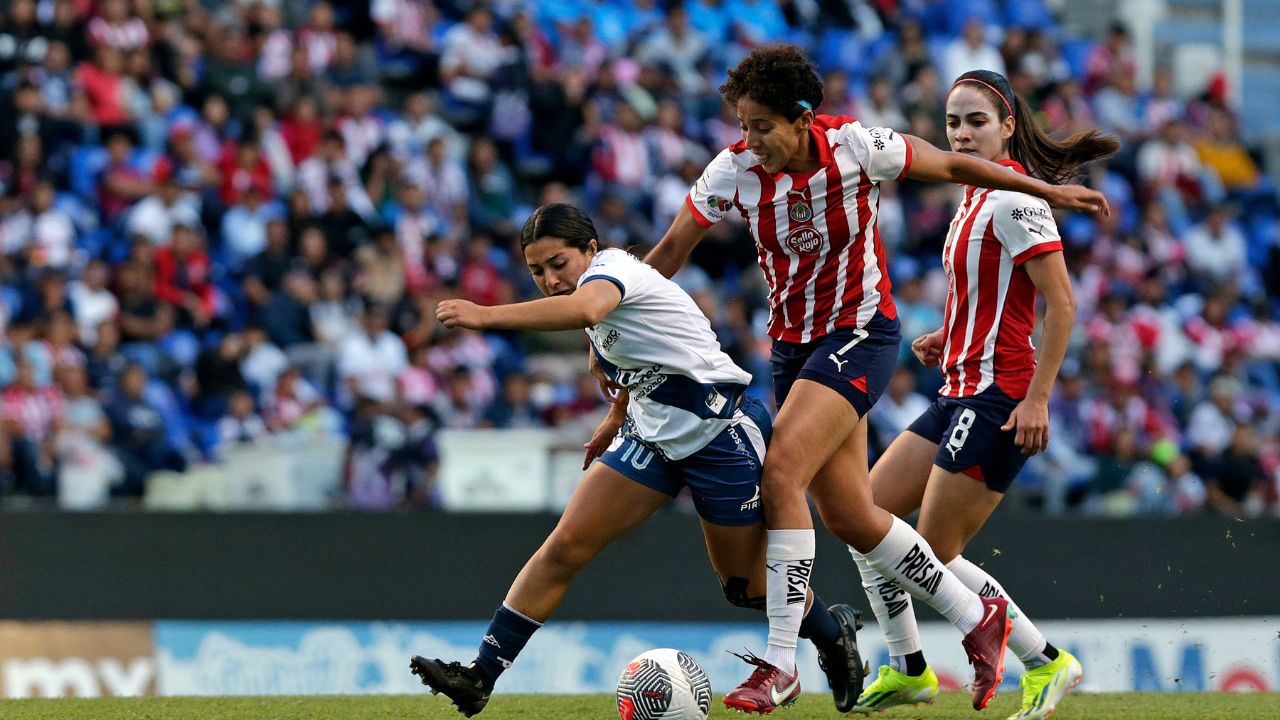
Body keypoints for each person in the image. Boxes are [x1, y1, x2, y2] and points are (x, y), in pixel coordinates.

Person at [641, 45, 1109, 714]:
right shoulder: (733, 172)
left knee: (784, 477)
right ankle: (930, 652)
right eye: (742, 125)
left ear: (802, 119)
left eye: (761, 125)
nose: (749, 140)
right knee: (857, 516)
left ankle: (782, 662)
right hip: (808, 353)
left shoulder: (865, 148)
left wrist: (1045, 189)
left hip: (873, 341)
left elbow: (960, 183)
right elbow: (668, 253)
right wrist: (614, 306)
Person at [409, 204, 864, 716]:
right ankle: (480, 676)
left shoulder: (611, 274)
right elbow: (640, 351)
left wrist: (485, 315)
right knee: (564, 547)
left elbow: (587, 311)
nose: (550, 280)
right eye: (537, 271)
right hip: (650, 438)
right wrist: (615, 415)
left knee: (748, 587)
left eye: (558, 264)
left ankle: (832, 633)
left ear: (590, 250)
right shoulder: (594, 292)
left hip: (720, 435)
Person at [848, 69, 1118, 718]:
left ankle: (1046, 660)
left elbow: (1061, 303)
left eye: (975, 121)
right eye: (952, 122)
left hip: (1001, 395)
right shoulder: (973, 197)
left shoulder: (1016, 202)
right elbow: (999, 297)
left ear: (1006, 127)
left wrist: (1040, 399)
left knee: (933, 553)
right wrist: (951, 332)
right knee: (863, 521)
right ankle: (909, 667)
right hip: (958, 386)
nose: (961, 134)